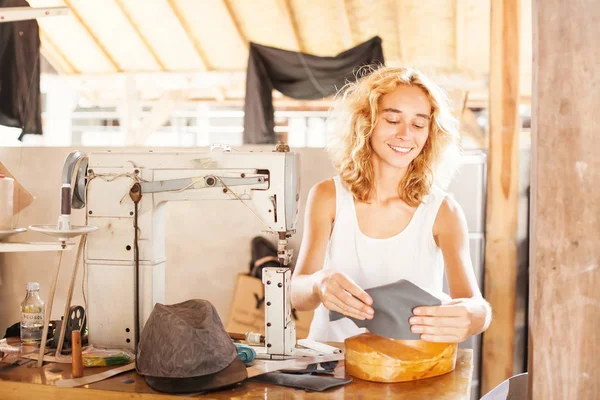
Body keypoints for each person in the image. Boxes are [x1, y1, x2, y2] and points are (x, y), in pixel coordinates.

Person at [290, 66, 492, 343]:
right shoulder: (328, 196)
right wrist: (318, 283)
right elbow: (298, 296)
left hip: (409, 367)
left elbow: (475, 304)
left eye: (419, 124)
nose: (406, 134)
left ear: (430, 134)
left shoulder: (443, 211)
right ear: (366, 122)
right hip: (332, 361)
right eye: (393, 120)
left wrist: (471, 316)